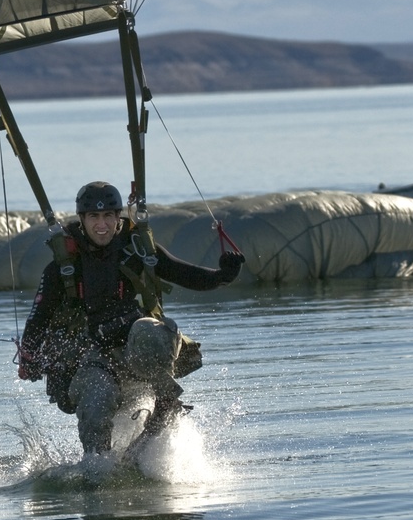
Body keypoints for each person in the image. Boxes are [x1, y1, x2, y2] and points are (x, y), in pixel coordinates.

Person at [16, 181, 245, 456]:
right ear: (82, 219)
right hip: (91, 359)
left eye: (108, 217)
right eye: (94, 217)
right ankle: (98, 465)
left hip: (136, 351)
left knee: (152, 329)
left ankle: (166, 406)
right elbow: (38, 319)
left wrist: (222, 277)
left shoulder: (137, 249)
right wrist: (29, 357)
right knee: (97, 397)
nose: (102, 225)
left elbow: (186, 275)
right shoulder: (62, 267)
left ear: (118, 218)